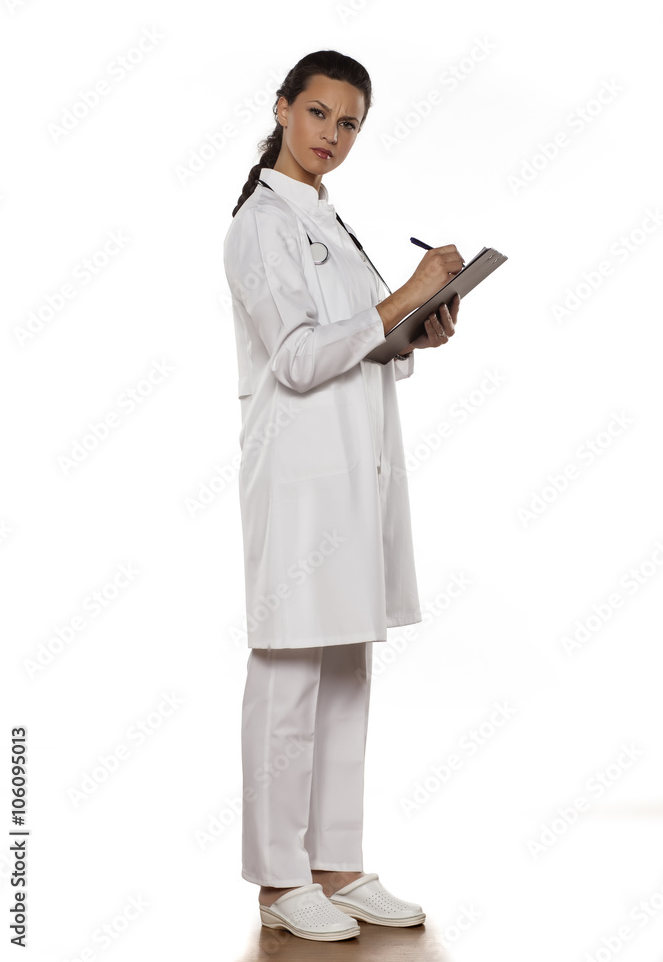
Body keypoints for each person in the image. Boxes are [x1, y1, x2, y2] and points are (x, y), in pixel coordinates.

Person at [223, 49, 463, 943]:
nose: (332, 135)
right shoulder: (260, 225)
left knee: (345, 673)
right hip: (297, 486)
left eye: (349, 123)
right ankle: (280, 884)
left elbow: (355, 343)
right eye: (318, 113)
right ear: (282, 109)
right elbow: (296, 356)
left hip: (353, 480)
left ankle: (335, 864)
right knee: (289, 672)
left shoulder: (326, 218)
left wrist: (414, 332)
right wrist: (404, 293)